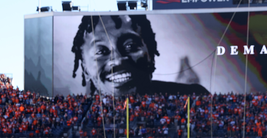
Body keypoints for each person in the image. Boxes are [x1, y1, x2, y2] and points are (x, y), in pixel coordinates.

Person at [70, 14, 210, 96]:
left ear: (150, 53)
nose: (118, 60)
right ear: (85, 67)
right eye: (101, 51)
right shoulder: (75, 119)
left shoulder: (193, 97)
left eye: (130, 46)